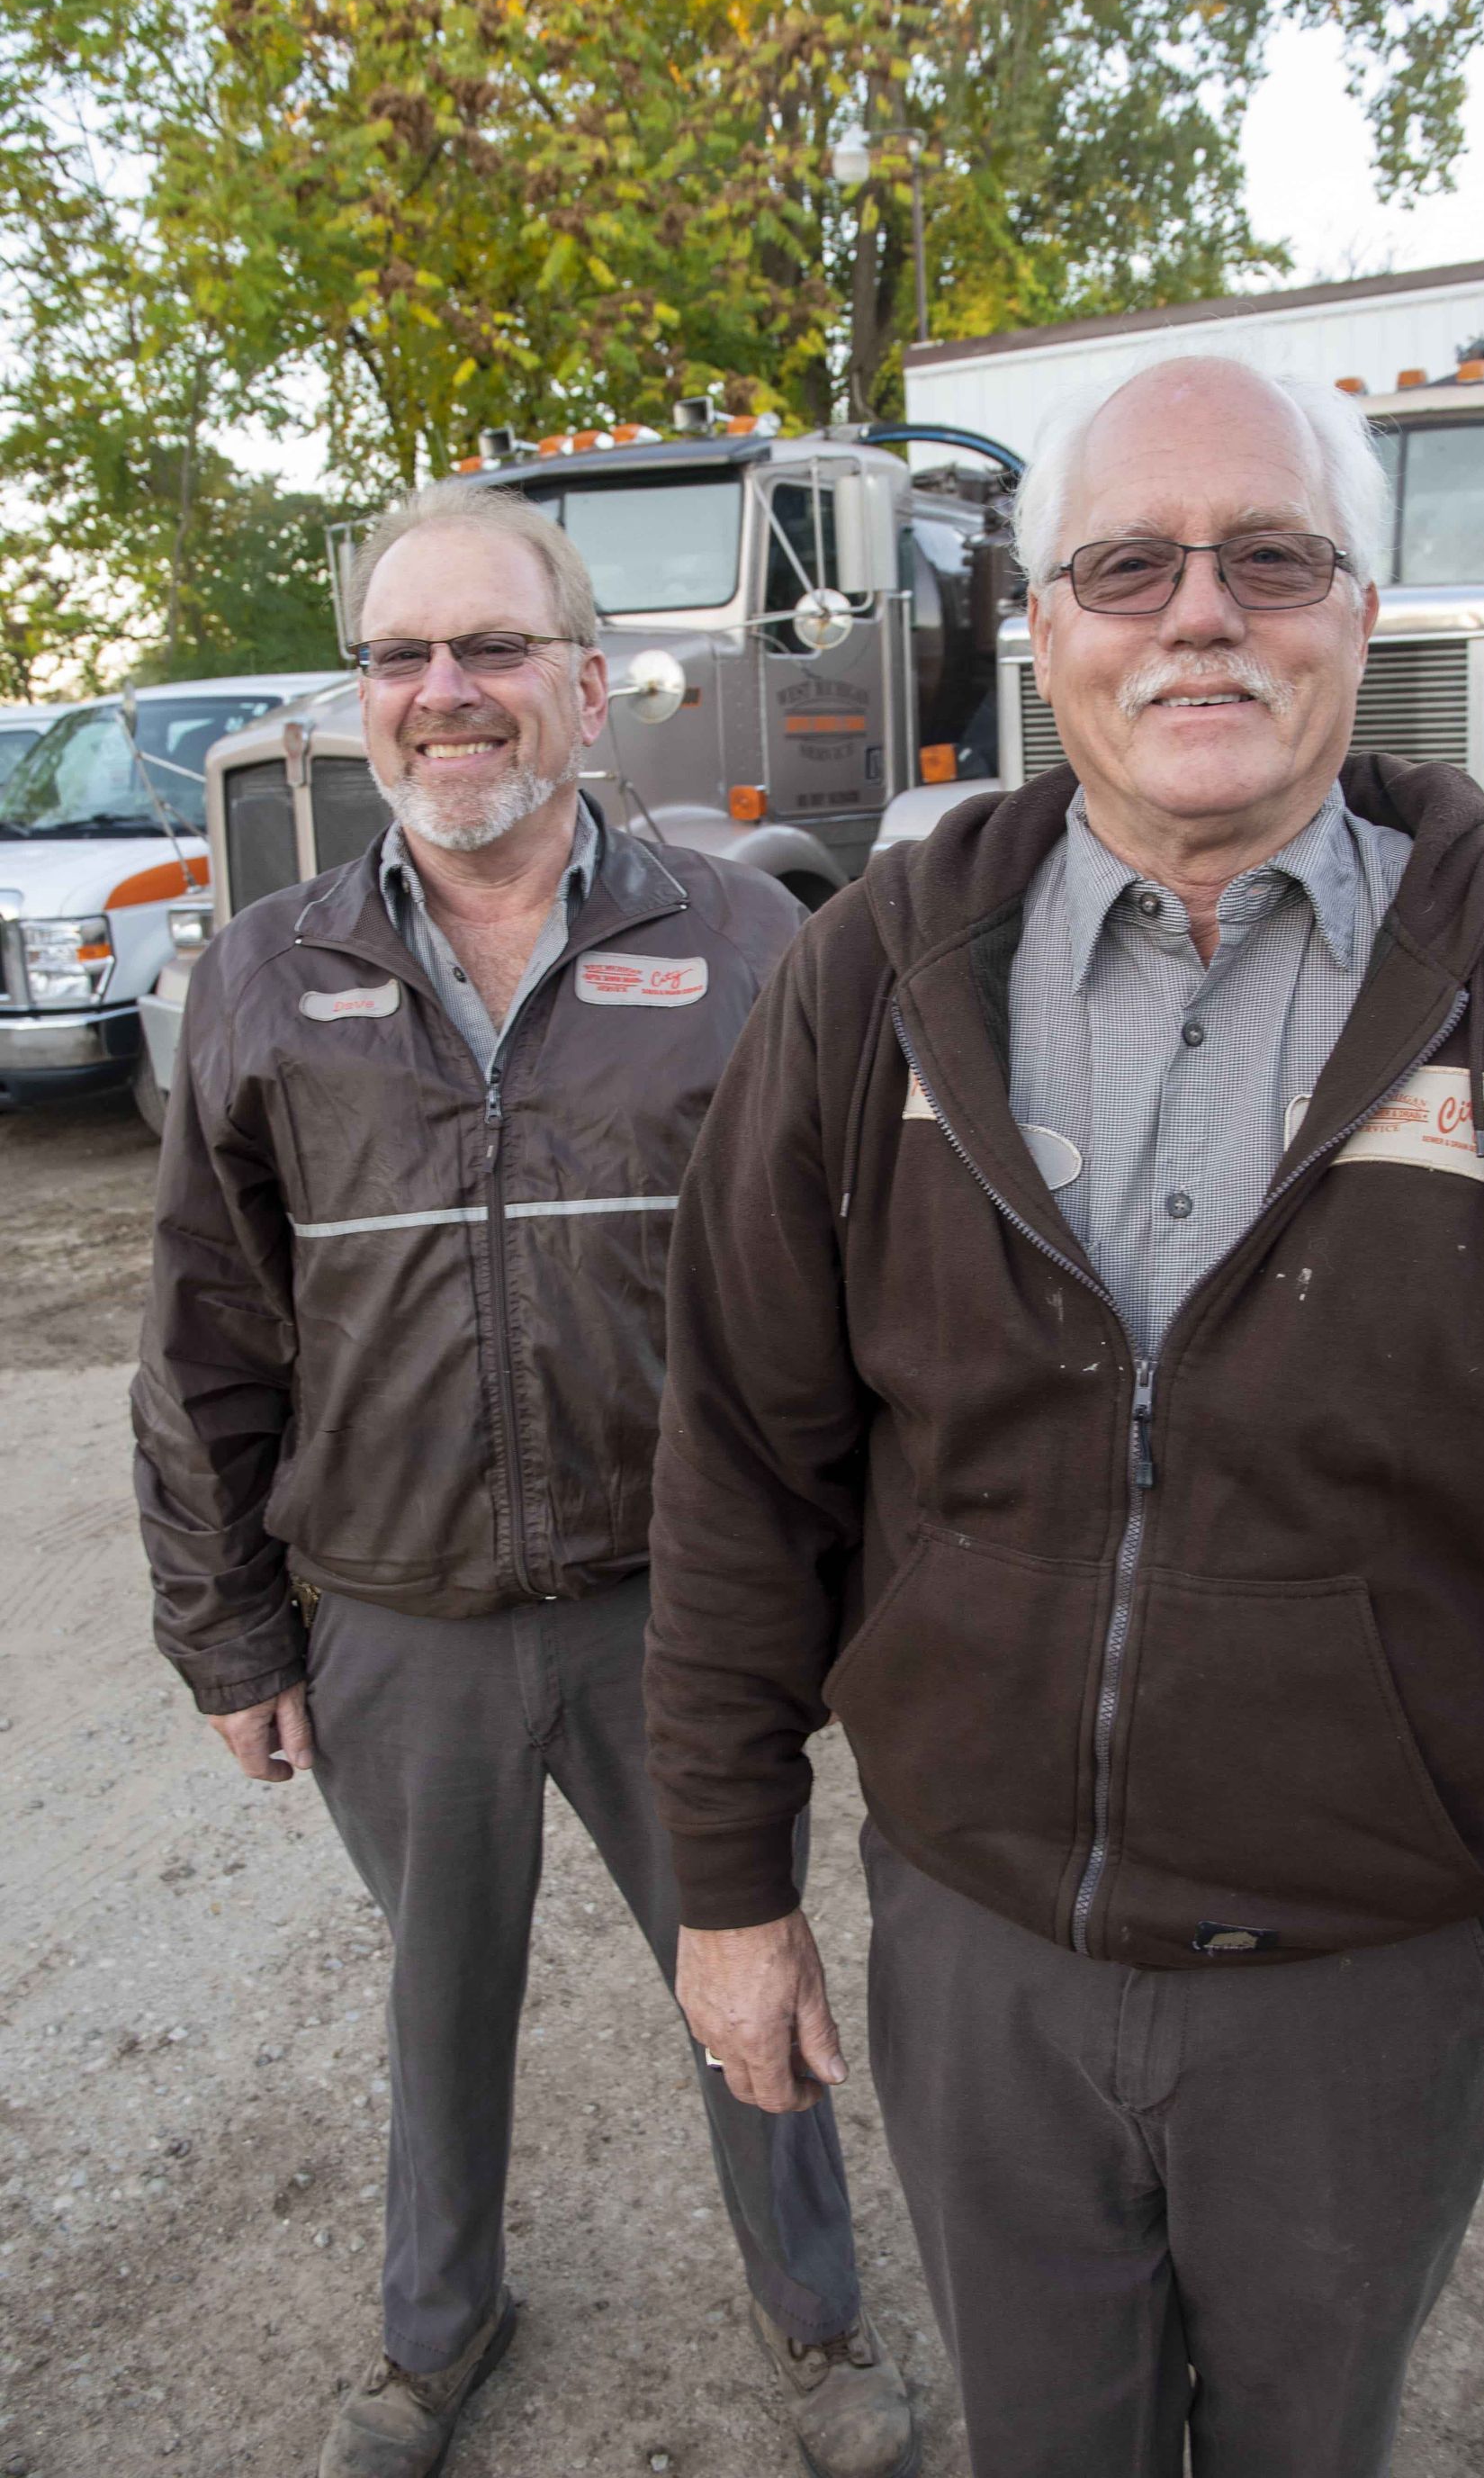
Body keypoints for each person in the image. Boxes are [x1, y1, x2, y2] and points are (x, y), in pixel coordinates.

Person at [643, 356, 1484, 2478]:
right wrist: (729, 1884)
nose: (1199, 612)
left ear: (1359, 608)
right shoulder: (873, 979)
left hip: (1367, 1986)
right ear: (1044, 628)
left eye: (1270, 558)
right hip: (981, 1959)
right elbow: (741, 1464)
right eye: (1128, 564)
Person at [133, 481, 915, 2478]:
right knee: (437, 2002)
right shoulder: (264, 972)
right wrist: (230, 1631)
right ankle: (437, 2328)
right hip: (395, 1621)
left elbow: (871, 1307)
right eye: (401, 656)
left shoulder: (748, 941)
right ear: (361, 701)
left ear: (584, 688)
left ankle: (815, 2324)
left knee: (752, 1980)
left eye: (491, 652)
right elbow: (209, 1335)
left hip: (689, 1616)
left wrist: (872, 1602)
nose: (445, 694)